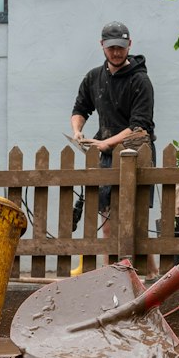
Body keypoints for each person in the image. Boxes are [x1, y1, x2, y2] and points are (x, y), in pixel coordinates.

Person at [69, 21, 155, 229]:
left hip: (137, 153)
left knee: (134, 227)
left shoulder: (140, 81)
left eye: (120, 47)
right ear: (102, 45)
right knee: (107, 225)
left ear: (129, 45)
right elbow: (80, 108)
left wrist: (108, 142)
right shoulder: (93, 77)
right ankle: (111, 264)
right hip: (107, 157)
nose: (116, 53)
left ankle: (141, 264)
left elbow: (139, 125)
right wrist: (77, 131)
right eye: (111, 48)